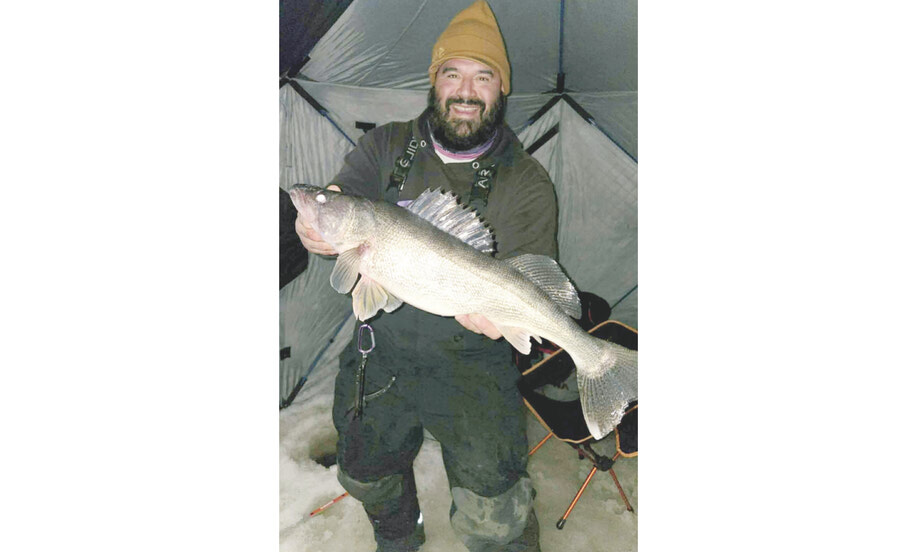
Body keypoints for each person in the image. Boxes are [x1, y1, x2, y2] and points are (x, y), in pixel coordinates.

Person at [295, 2, 557, 550]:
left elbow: (532, 277)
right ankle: (399, 538)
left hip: (473, 361)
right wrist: (318, 217)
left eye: (483, 77)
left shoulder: (527, 182)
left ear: (502, 89)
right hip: (381, 354)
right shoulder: (385, 145)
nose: (466, 91)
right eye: (452, 73)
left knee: (496, 513)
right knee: (366, 475)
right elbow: (344, 195)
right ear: (434, 81)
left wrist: (506, 321)